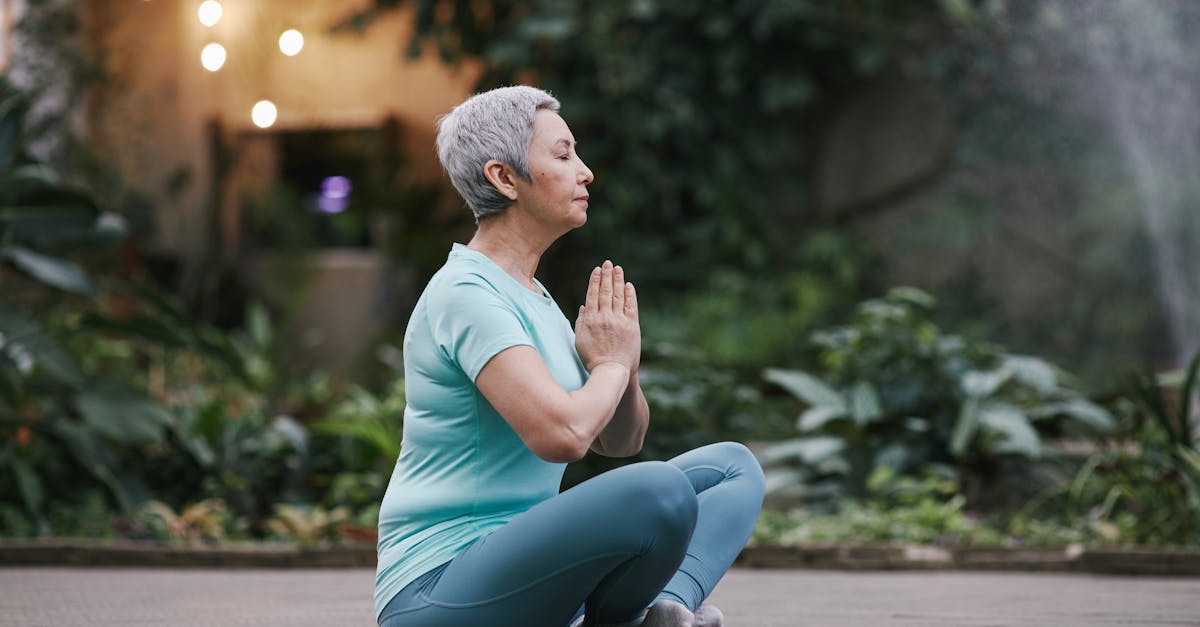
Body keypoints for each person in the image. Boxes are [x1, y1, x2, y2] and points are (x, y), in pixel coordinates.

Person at [374, 85, 765, 627]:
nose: (586, 172)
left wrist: (622, 365)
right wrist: (608, 364)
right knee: (660, 490)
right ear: (504, 177)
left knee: (731, 468)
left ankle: (667, 609)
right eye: (562, 155)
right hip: (438, 588)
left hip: (525, 575)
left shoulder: (534, 296)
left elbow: (619, 441)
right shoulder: (465, 294)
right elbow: (562, 437)